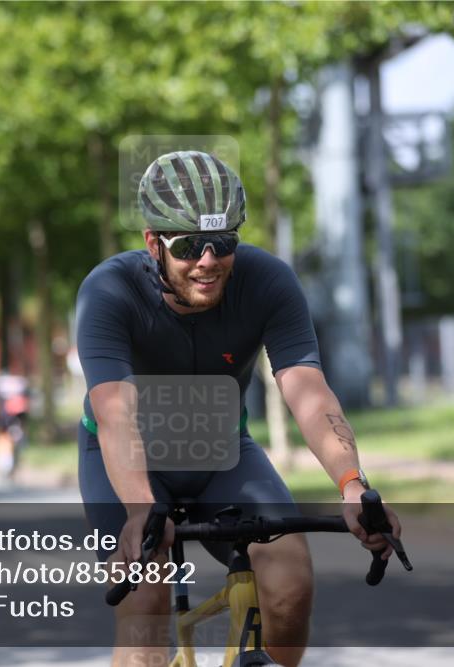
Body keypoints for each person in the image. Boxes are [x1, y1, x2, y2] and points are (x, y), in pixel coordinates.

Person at [75, 150, 402, 667]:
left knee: (291, 579)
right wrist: (141, 508)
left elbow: (307, 388)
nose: (207, 260)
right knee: (147, 599)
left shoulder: (267, 280)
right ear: (152, 243)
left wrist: (353, 484)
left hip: (220, 454)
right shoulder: (109, 291)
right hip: (124, 462)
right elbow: (115, 410)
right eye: (187, 246)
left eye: (222, 242)